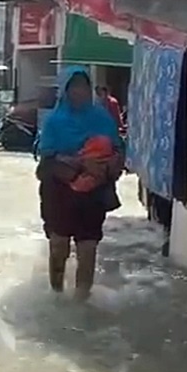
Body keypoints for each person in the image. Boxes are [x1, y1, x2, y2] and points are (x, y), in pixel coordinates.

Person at [35, 66, 124, 300]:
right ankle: (55, 295)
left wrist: (108, 167)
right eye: (73, 87)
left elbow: (117, 150)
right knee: (58, 246)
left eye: (83, 86)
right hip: (59, 191)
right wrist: (80, 163)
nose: (79, 92)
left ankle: (81, 303)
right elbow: (47, 158)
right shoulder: (54, 121)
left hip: (93, 191)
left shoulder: (102, 118)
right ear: (65, 90)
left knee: (88, 248)